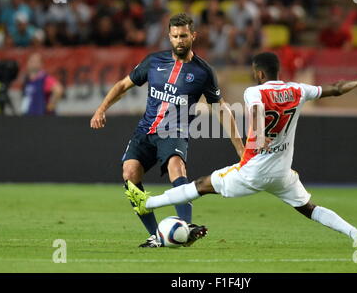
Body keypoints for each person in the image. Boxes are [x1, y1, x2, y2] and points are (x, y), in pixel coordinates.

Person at [127, 52, 357, 254]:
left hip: (254, 170)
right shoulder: (298, 90)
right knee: (309, 208)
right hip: (282, 173)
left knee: (202, 185)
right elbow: (334, 88)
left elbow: (257, 112)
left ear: (259, 73)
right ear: (277, 71)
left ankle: (147, 202)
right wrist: (356, 83)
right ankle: (355, 234)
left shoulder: (254, 92)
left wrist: (259, 135)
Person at [90, 13, 244, 248]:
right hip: (145, 131)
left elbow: (222, 110)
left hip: (174, 131)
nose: (179, 40)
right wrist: (101, 108)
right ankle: (156, 235)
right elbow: (123, 85)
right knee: (129, 174)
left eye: (184, 36)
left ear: (193, 36)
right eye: (175, 36)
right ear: (169, 37)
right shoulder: (154, 62)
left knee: (176, 165)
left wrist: (241, 149)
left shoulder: (203, 72)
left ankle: (186, 227)